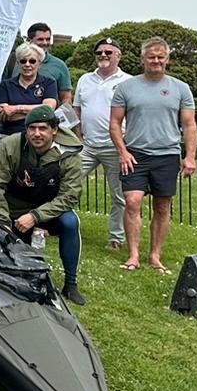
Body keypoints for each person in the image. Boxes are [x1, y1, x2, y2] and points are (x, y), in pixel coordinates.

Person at [110, 36, 197, 274]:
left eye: (160, 57)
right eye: (151, 57)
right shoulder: (126, 88)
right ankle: (133, 255)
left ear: (167, 59)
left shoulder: (181, 88)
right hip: (135, 154)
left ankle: (155, 256)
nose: (156, 61)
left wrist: (189, 157)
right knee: (132, 202)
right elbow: (115, 123)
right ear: (142, 59)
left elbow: (189, 125)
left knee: (162, 207)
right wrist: (122, 151)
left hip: (167, 154)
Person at [0, 106, 86, 304]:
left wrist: (35, 216)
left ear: (54, 130)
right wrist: (2, 220)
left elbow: (69, 196)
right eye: (32, 128)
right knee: (0, 240)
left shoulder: (69, 155)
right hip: (13, 209)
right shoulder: (9, 146)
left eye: (43, 128)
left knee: (70, 222)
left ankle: (70, 284)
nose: (37, 134)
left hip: (48, 210)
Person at [75, 36, 133, 250]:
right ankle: (56, 226)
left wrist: (125, 146)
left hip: (115, 147)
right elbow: (77, 110)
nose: (103, 55)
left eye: (109, 52)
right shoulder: (84, 79)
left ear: (119, 55)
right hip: (87, 146)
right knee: (66, 184)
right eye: (99, 52)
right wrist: (78, 135)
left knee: (119, 195)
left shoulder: (128, 81)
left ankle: (116, 238)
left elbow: (133, 113)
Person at [0, 42, 59, 143]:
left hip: (39, 138)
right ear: (18, 64)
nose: (27, 64)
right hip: (8, 136)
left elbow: (48, 109)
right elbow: (4, 114)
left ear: (39, 64)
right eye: (23, 61)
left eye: (32, 61)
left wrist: (15, 109)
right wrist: (38, 113)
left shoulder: (49, 83)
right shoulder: (6, 84)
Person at [26, 22, 74, 107]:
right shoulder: (13, 62)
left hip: (46, 117)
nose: (45, 43)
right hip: (13, 117)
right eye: (40, 39)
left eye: (48, 39)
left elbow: (66, 97)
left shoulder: (59, 65)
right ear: (29, 40)